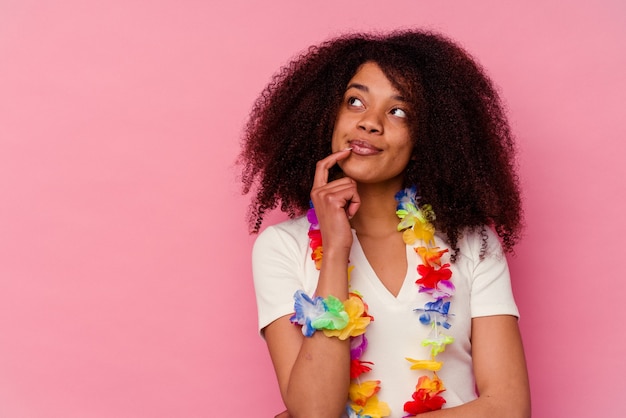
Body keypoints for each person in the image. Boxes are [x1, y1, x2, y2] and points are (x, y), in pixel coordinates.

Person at [239, 29, 530, 418]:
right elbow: (313, 411)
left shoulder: (471, 242)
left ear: (428, 135)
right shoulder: (281, 247)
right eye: (355, 102)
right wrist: (336, 249)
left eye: (398, 111)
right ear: (327, 115)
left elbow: (509, 408)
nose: (370, 123)